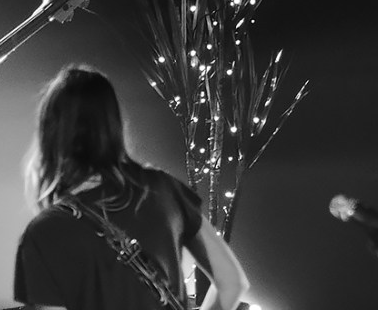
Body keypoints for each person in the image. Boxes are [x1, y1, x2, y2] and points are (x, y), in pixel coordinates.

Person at [14, 65, 250, 310]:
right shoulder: (164, 189)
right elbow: (233, 282)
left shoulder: (44, 231)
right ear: (113, 125)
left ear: (49, 134)